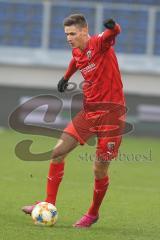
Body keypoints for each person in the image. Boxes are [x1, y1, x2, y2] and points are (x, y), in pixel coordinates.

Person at [22, 14, 126, 228]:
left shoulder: (99, 43)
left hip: (111, 117)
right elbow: (75, 60)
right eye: (66, 34)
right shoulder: (77, 51)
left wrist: (113, 26)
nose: (69, 38)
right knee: (58, 152)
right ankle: (48, 204)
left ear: (84, 31)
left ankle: (92, 213)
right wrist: (66, 77)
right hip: (89, 113)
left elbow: (114, 33)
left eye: (72, 33)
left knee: (99, 169)